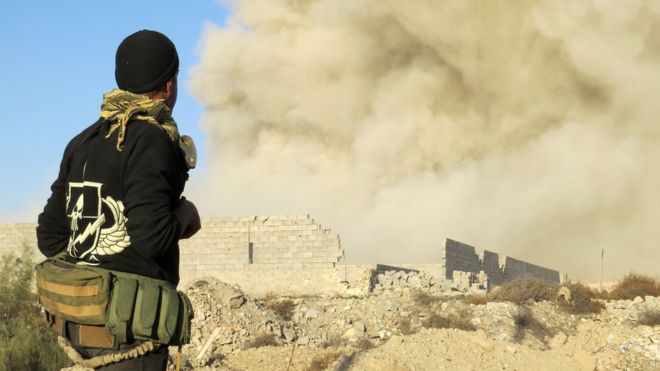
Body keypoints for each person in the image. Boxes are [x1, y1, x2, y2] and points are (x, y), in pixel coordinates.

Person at [36, 29, 200, 370]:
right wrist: (184, 217)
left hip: (78, 338)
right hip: (130, 342)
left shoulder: (83, 141)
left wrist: (96, 263)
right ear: (169, 85)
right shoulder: (151, 139)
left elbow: (50, 237)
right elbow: (153, 238)